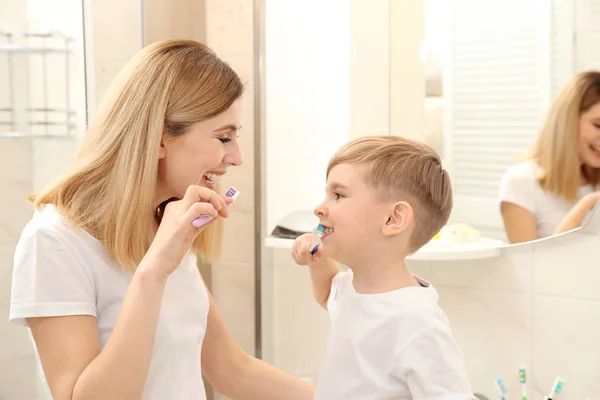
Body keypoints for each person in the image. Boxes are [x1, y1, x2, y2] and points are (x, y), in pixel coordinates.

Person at [9, 39, 313, 400]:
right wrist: (153, 271)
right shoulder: (55, 241)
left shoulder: (163, 225)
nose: (237, 157)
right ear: (159, 139)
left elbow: (233, 371)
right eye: (224, 137)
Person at [291, 136, 473, 399]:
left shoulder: (416, 322)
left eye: (338, 195)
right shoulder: (352, 287)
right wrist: (315, 260)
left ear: (393, 218)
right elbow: (328, 295)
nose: (320, 208)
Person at [499, 71, 600, 244]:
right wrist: (589, 203)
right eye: (598, 125)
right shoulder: (521, 182)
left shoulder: (595, 180)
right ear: (568, 120)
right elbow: (533, 267)